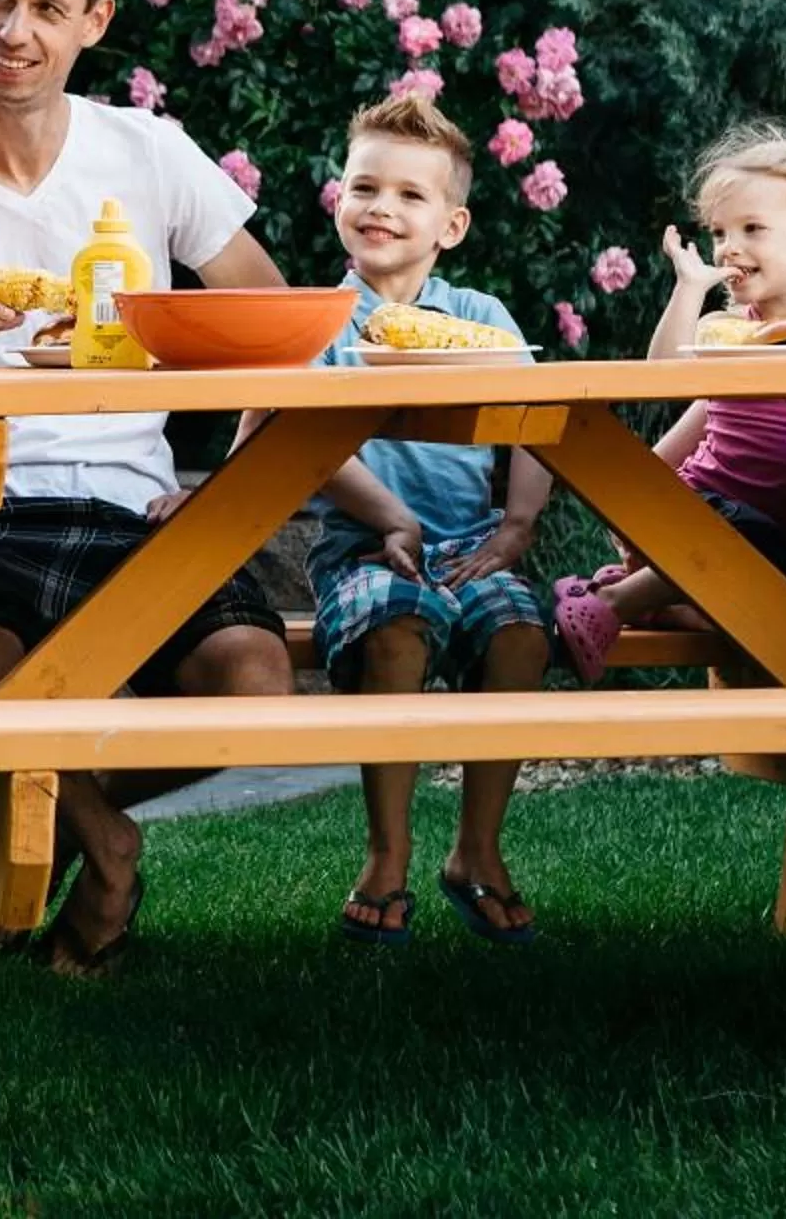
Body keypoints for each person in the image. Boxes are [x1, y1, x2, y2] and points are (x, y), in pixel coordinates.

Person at [0, 0, 299, 974]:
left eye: (48, 9)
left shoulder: (147, 151)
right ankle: (106, 848)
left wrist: (226, 484)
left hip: (136, 507)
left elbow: (273, 327)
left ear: (95, 22)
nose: (12, 33)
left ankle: (44, 811)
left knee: (252, 685)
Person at [301, 94, 559, 945]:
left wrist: (516, 527)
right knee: (397, 628)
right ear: (339, 196)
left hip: (469, 547)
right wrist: (391, 518)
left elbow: (539, 418)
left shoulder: (479, 318)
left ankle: (476, 848)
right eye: (364, 187)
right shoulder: (316, 321)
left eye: (410, 195)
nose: (381, 207)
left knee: (521, 633)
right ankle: (388, 852)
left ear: (452, 225)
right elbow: (289, 438)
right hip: (364, 549)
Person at [552, 123, 786, 681]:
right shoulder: (726, 331)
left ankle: (655, 597)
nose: (728, 247)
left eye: (752, 228)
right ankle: (612, 603)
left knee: (780, 594)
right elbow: (662, 378)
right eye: (718, 232)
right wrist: (689, 287)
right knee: (747, 540)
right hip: (698, 513)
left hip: (778, 545)